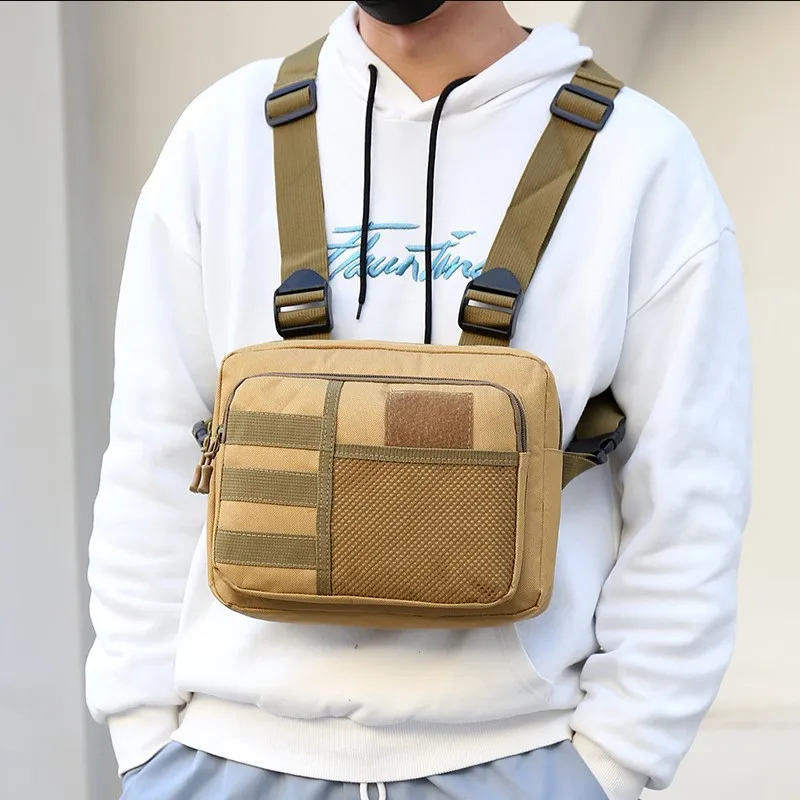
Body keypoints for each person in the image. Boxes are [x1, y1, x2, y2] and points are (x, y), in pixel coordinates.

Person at [85, 2, 752, 799]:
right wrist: (143, 735)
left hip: (518, 760)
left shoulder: (638, 159)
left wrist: (615, 759)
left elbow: (690, 495)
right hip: (221, 758)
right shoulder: (224, 135)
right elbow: (153, 452)